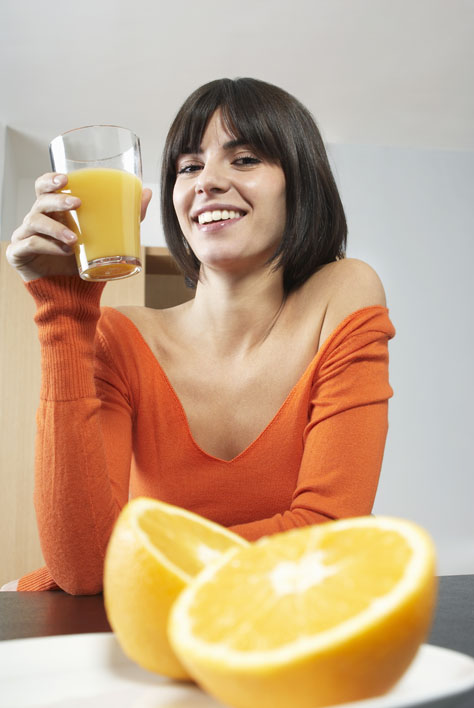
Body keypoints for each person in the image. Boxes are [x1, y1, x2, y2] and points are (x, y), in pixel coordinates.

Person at [5, 77, 394, 594]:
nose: (206, 181)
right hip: (140, 624)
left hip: (265, 620)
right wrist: (64, 310)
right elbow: (82, 572)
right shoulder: (122, 337)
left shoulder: (342, 293)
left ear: (300, 183)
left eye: (246, 159)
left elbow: (328, 530)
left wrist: (131, 563)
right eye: (189, 167)